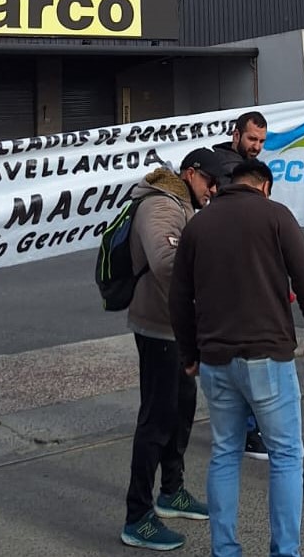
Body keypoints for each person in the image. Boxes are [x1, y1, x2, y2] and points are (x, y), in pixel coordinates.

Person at [170, 159, 304, 557]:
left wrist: (189, 352)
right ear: (264, 186)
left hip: (215, 357)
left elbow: (178, 297)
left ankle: (225, 551)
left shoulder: (198, 224)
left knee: (224, 452)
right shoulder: (276, 216)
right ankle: (284, 552)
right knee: (286, 454)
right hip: (267, 355)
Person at [120, 148, 219, 551]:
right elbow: (167, 264)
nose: (213, 190)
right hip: (158, 329)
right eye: (209, 182)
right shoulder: (161, 204)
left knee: (181, 412)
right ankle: (137, 517)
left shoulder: (182, 203)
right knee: (156, 421)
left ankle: (171, 492)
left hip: (177, 330)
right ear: (191, 174)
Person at [209, 109, 272, 459]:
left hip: (240, 270)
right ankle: (247, 430)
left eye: (262, 141)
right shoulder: (228, 170)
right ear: (236, 135)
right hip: (232, 276)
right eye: (252, 139)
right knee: (244, 354)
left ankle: (243, 427)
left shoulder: (236, 166)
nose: (257, 146)